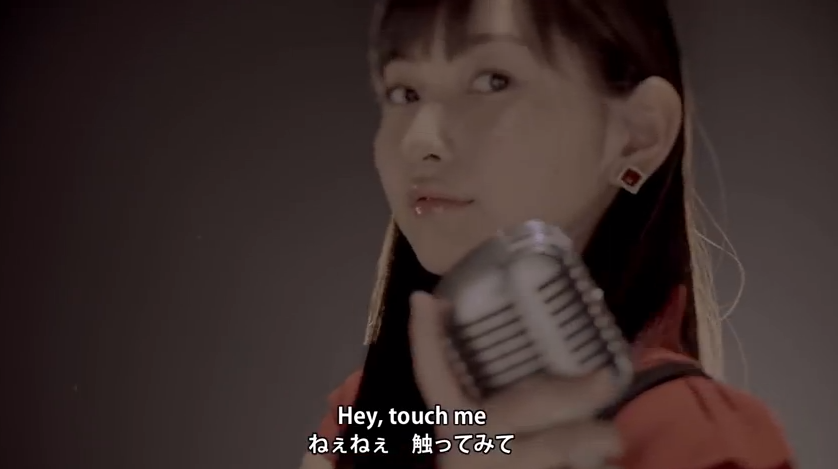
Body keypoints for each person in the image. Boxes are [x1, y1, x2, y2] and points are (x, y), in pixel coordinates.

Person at [300, 0, 794, 468]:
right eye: (404, 93)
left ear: (638, 134)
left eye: (492, 81)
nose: (419, 140)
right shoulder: (361, 415)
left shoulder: (695, 438)